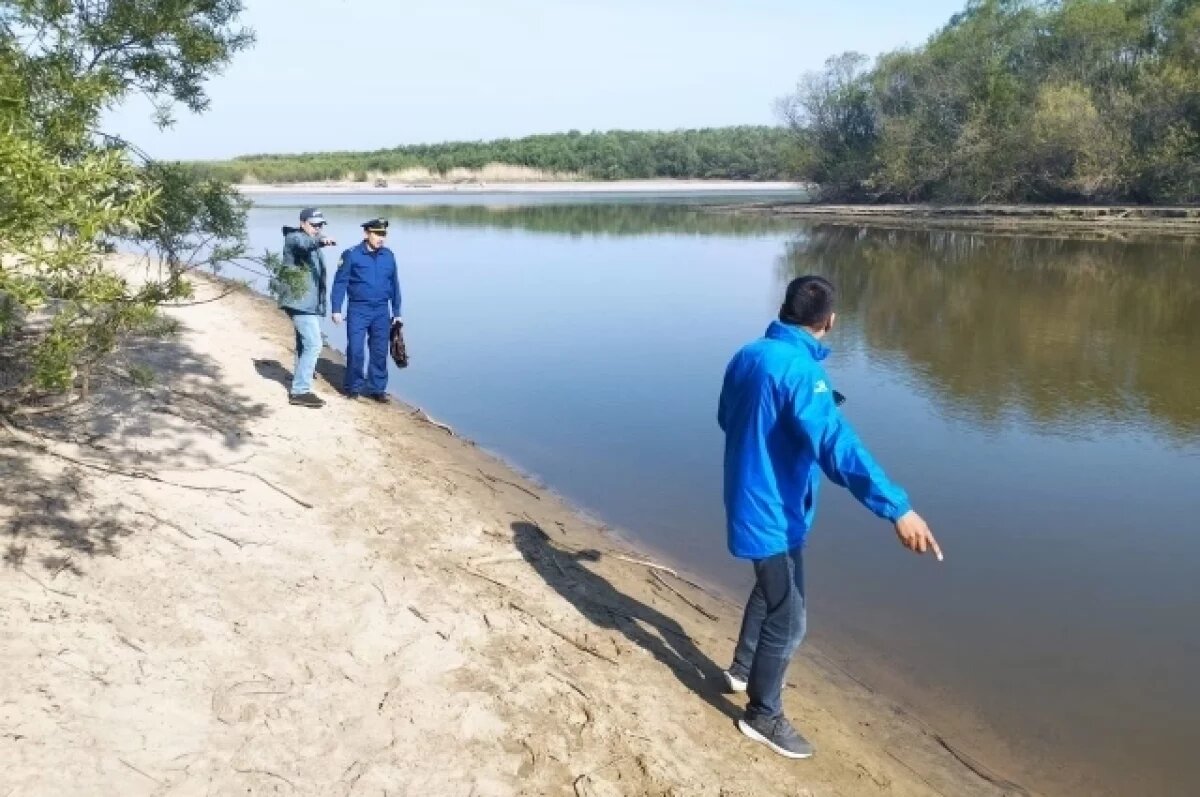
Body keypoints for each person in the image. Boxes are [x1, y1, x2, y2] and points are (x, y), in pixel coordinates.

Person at [717, 275, 943, 760]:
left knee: (771, 589)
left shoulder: (749, 354)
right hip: (772, 511)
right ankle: (763, 714)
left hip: (750, 496)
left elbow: (726, 417)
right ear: (830, 321)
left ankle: (741, 669)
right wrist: (897, 508)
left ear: (784, 309)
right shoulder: (803, 373)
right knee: (791, 619)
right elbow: (838, 447)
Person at [330, 218, 402, 402]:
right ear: (366, 234)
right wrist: (336, 309)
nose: (381, 238)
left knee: (379, 351)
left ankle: (377, 389)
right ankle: (353, 387)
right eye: (377, 234)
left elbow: (394, 285)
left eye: (383, 234)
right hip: (358, 309)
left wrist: (397, 312)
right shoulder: (351, 255)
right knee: (355, 350)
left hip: (381, 310)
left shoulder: (389, 256)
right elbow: (340, 283)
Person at [278, 207, 336, 408]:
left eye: (320, 225)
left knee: (304, 344)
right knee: (314, 343)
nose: (318, 229)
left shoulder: (312, 242)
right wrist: (321, 240)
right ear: (302, 223)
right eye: (314, 225)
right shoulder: (294, 238)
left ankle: (299, 380)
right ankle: (300, 390)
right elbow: (304, 243)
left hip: (306, 302)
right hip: (298, 302)